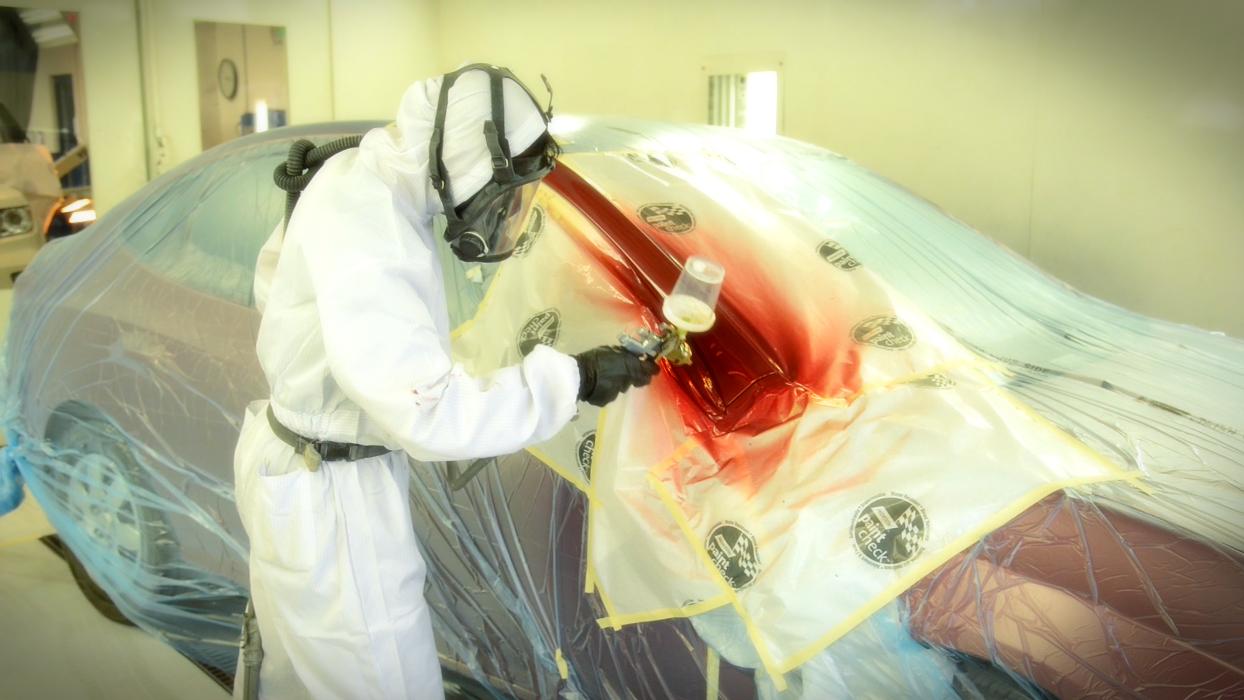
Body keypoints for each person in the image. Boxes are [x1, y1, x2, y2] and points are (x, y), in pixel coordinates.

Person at [232, 64, 658, 699]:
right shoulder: (371, 224)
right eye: (507, 193)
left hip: (300, 467)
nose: (506, 213)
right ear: (470, 157)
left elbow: (282, 291)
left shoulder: (363, 181)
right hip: (333, 496)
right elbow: (429, 415)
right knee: (387, 683)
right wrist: (577, 378)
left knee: (301, 681)